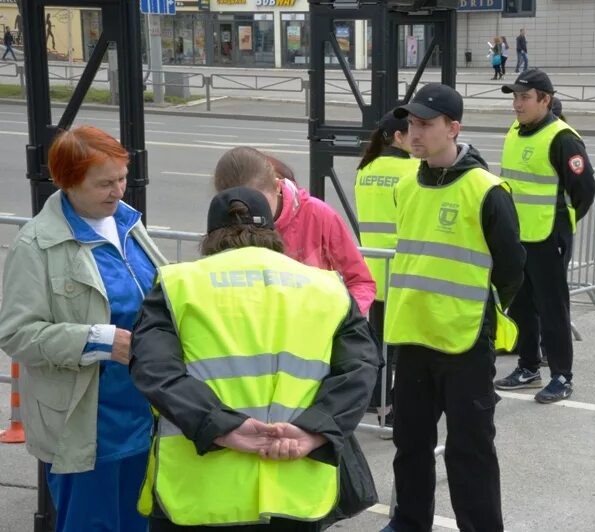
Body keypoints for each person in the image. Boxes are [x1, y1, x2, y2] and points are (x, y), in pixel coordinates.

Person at [130, 186, 381, 531]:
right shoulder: (327, 288)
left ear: (210, 236)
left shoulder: (179, 285)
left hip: (200, 490)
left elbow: (154, 369)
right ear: (272, 232)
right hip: (295, 488)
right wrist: (314, 432)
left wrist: (223, 428)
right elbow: (360, 368)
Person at [0, 126, 167, 532]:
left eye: (122, 178)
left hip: (143, 414)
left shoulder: (127, 224)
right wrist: (102, 341)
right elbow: (17, 334)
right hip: (84, 423)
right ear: (68, 182)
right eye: (105, 183)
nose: (119, 191)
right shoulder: (36, 244)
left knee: (138, 522)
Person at [378, 83, 525, 532]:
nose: (415, 133)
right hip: (414, 337)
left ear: (453, 128)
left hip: (464, 343)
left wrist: (478, 313)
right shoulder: (406, 184)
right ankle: (409, 522)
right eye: (412, 124)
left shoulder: (486, 190)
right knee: (411, 445)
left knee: (470, 451)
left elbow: (511, 270)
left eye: (426, 124)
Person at [493, 70, 595, 403]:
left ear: (545, 100)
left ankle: (562, 376)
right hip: (517, 236)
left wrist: (562, 223)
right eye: (514, 97)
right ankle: (528, 366)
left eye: (524, 97)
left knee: (552, 308)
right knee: (523, 306)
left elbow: (584, 190)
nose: (517, 104)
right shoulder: (515, 130)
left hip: (548, 237)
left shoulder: (562, 138)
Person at [213, 147, 376, 315]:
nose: (250, 216)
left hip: (313, 330)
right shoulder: (224, 220)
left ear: (277, 186)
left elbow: (360, 281)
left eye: (258, 203)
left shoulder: (317, 215)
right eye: (239, 210)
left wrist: (343, 322)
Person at [354, 111, 419, 430]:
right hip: (405, 268)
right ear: (398, 137)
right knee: (403, 346)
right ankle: (395, 406)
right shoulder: (412, 168)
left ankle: (375, 398)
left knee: (379, 342)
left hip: (374, 270)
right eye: (412, 131)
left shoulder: (366, 169)